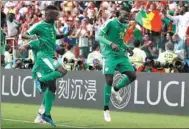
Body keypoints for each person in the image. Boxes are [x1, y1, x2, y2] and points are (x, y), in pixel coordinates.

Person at [19, 5, 71, 127]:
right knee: (63, 71)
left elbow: (54, 39)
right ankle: (40, 80)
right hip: (42, 63)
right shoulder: (39, 27)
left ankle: (44, 114)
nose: (58, 16)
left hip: (49, 60)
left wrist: (65, 35)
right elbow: (24, 36)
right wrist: (24, 45)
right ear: (48, 14)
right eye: (55, 14)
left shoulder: (53, 26)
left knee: (52, 88)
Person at [97, 9, 137, 122]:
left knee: (132, 76)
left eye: (128, 15)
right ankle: (106, 109)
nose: (127, 17)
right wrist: (111, 43)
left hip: (121, 55)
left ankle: (116, 89)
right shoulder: (110, 22)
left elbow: (120, 42)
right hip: (109, 55)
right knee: (109, 80)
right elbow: (99, 36)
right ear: (118, 14)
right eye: (125, 15)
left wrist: (127, 48)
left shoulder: (124, 26)